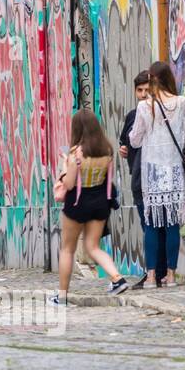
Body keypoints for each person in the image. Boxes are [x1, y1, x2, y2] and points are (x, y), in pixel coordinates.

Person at [128, 61, 185, 288]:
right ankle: (171, 276)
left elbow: (134, 140)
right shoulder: (182, 103)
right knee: (172, 225)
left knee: (152, 225)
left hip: (153, 172)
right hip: (175, 171)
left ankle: (150, 277)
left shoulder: (144, 107)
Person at [52, 110, 129, 305]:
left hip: (77, 204)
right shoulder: (107, 151)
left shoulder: (75, 153)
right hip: (100, 202)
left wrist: (64, 167)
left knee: (67, 249)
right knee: (93, 246)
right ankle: (117, 278)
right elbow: (107, 178)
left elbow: (69, 184)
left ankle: (61, 296)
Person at [118, 71, 151, 286]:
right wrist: (123, 149)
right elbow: (124, 141)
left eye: (147, 90)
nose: (143, 94)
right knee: (145, 224)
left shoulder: (159, 113)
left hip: (154, 177)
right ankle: (152, 270)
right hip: (137, 178)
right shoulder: (132, 116)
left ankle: (157, 271)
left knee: (156, 227)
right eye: (140, 90)